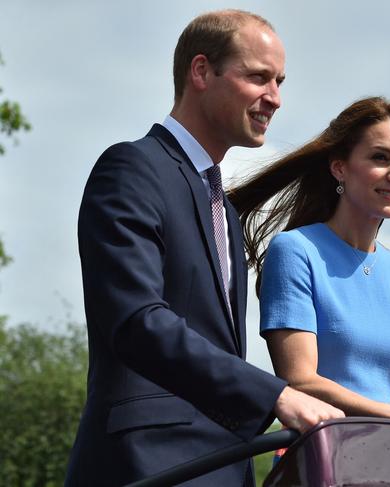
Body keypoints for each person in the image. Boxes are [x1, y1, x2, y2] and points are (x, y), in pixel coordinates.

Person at [65, 10, 342, 487]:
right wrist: (275, 395)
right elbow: (137, 321)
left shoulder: (224, 210)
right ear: (200, 72)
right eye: (258, 77)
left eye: (279, 81)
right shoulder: (132, 169)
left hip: (225, 466)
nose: (275, 98)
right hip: (149, 463)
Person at [229, 97, 390, 424]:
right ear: (339, 167)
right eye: (381, 158)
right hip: (329, 456)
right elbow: (301, 380)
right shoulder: (296, 250)